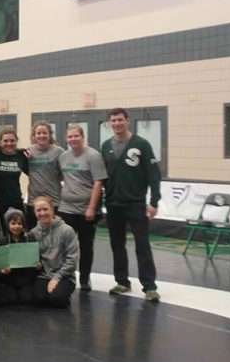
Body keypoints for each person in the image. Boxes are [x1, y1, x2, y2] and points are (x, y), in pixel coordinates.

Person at [101, 108, 161, 302]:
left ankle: (149, 286)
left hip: (136, 204)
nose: (117, 123)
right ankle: (122, 282)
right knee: (117, 244)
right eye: (113, 121)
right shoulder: (105, 146)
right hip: (113, 204)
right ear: (109, 123)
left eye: (120, 120)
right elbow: (102, 177)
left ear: (127, 121)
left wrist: (154, 202)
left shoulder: (141, 144)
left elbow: (154, 175)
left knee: (142, 245)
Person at [58, 124, 107, 291]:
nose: (73, 139)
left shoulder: (93, 156)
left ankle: (85, 278)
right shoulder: (63, 157)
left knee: (86, 246)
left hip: (86, 210)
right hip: (66, 209)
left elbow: (98, 183)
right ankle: (66, 276)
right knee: (65, 246)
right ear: (66, 139)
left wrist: (91, 208)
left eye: (76, 136)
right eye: (70, 137)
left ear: (82, 137)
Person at [28, 197, 79, 308]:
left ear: (52, 210)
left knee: (57, 299)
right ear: (34, 213)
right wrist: (36, 264)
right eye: (38, 210)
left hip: (64, 276)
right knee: (38, 299)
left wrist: (57, 278)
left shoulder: (67, 230)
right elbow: (34, 258)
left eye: (45, 209)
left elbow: (72, 260)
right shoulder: (33, 233)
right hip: (43, 275)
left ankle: (62, 294)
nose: (42, 213)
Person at [26, 121, 64, 227]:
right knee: (34, 233)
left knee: (55, 232)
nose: (41, 135)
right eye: (38, 133)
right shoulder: (28, 151)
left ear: (50, 135)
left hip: (54, 201)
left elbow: (64, 174)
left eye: (44, 133)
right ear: (34, 135)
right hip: (33, 201)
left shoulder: (59, 152)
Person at [0, 127, 29, 218]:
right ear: (0, 142)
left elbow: (32, 173)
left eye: (12, 141)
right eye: (5, 141)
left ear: (16, 141)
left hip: (16, 200)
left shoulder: (21, 156)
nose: (9, 143)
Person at [3, 208, 37, 303]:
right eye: (13, 223)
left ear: (23, 225)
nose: (16, 226)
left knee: (27, 299)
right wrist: (3, 270)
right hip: (9, 278)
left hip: (26, 278)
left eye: (19, 223)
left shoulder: (30, 238)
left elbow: (35, 257)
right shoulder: (3, 240)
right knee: (11, 299)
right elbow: (0, 263)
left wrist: (37, 264)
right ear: (7, 225)